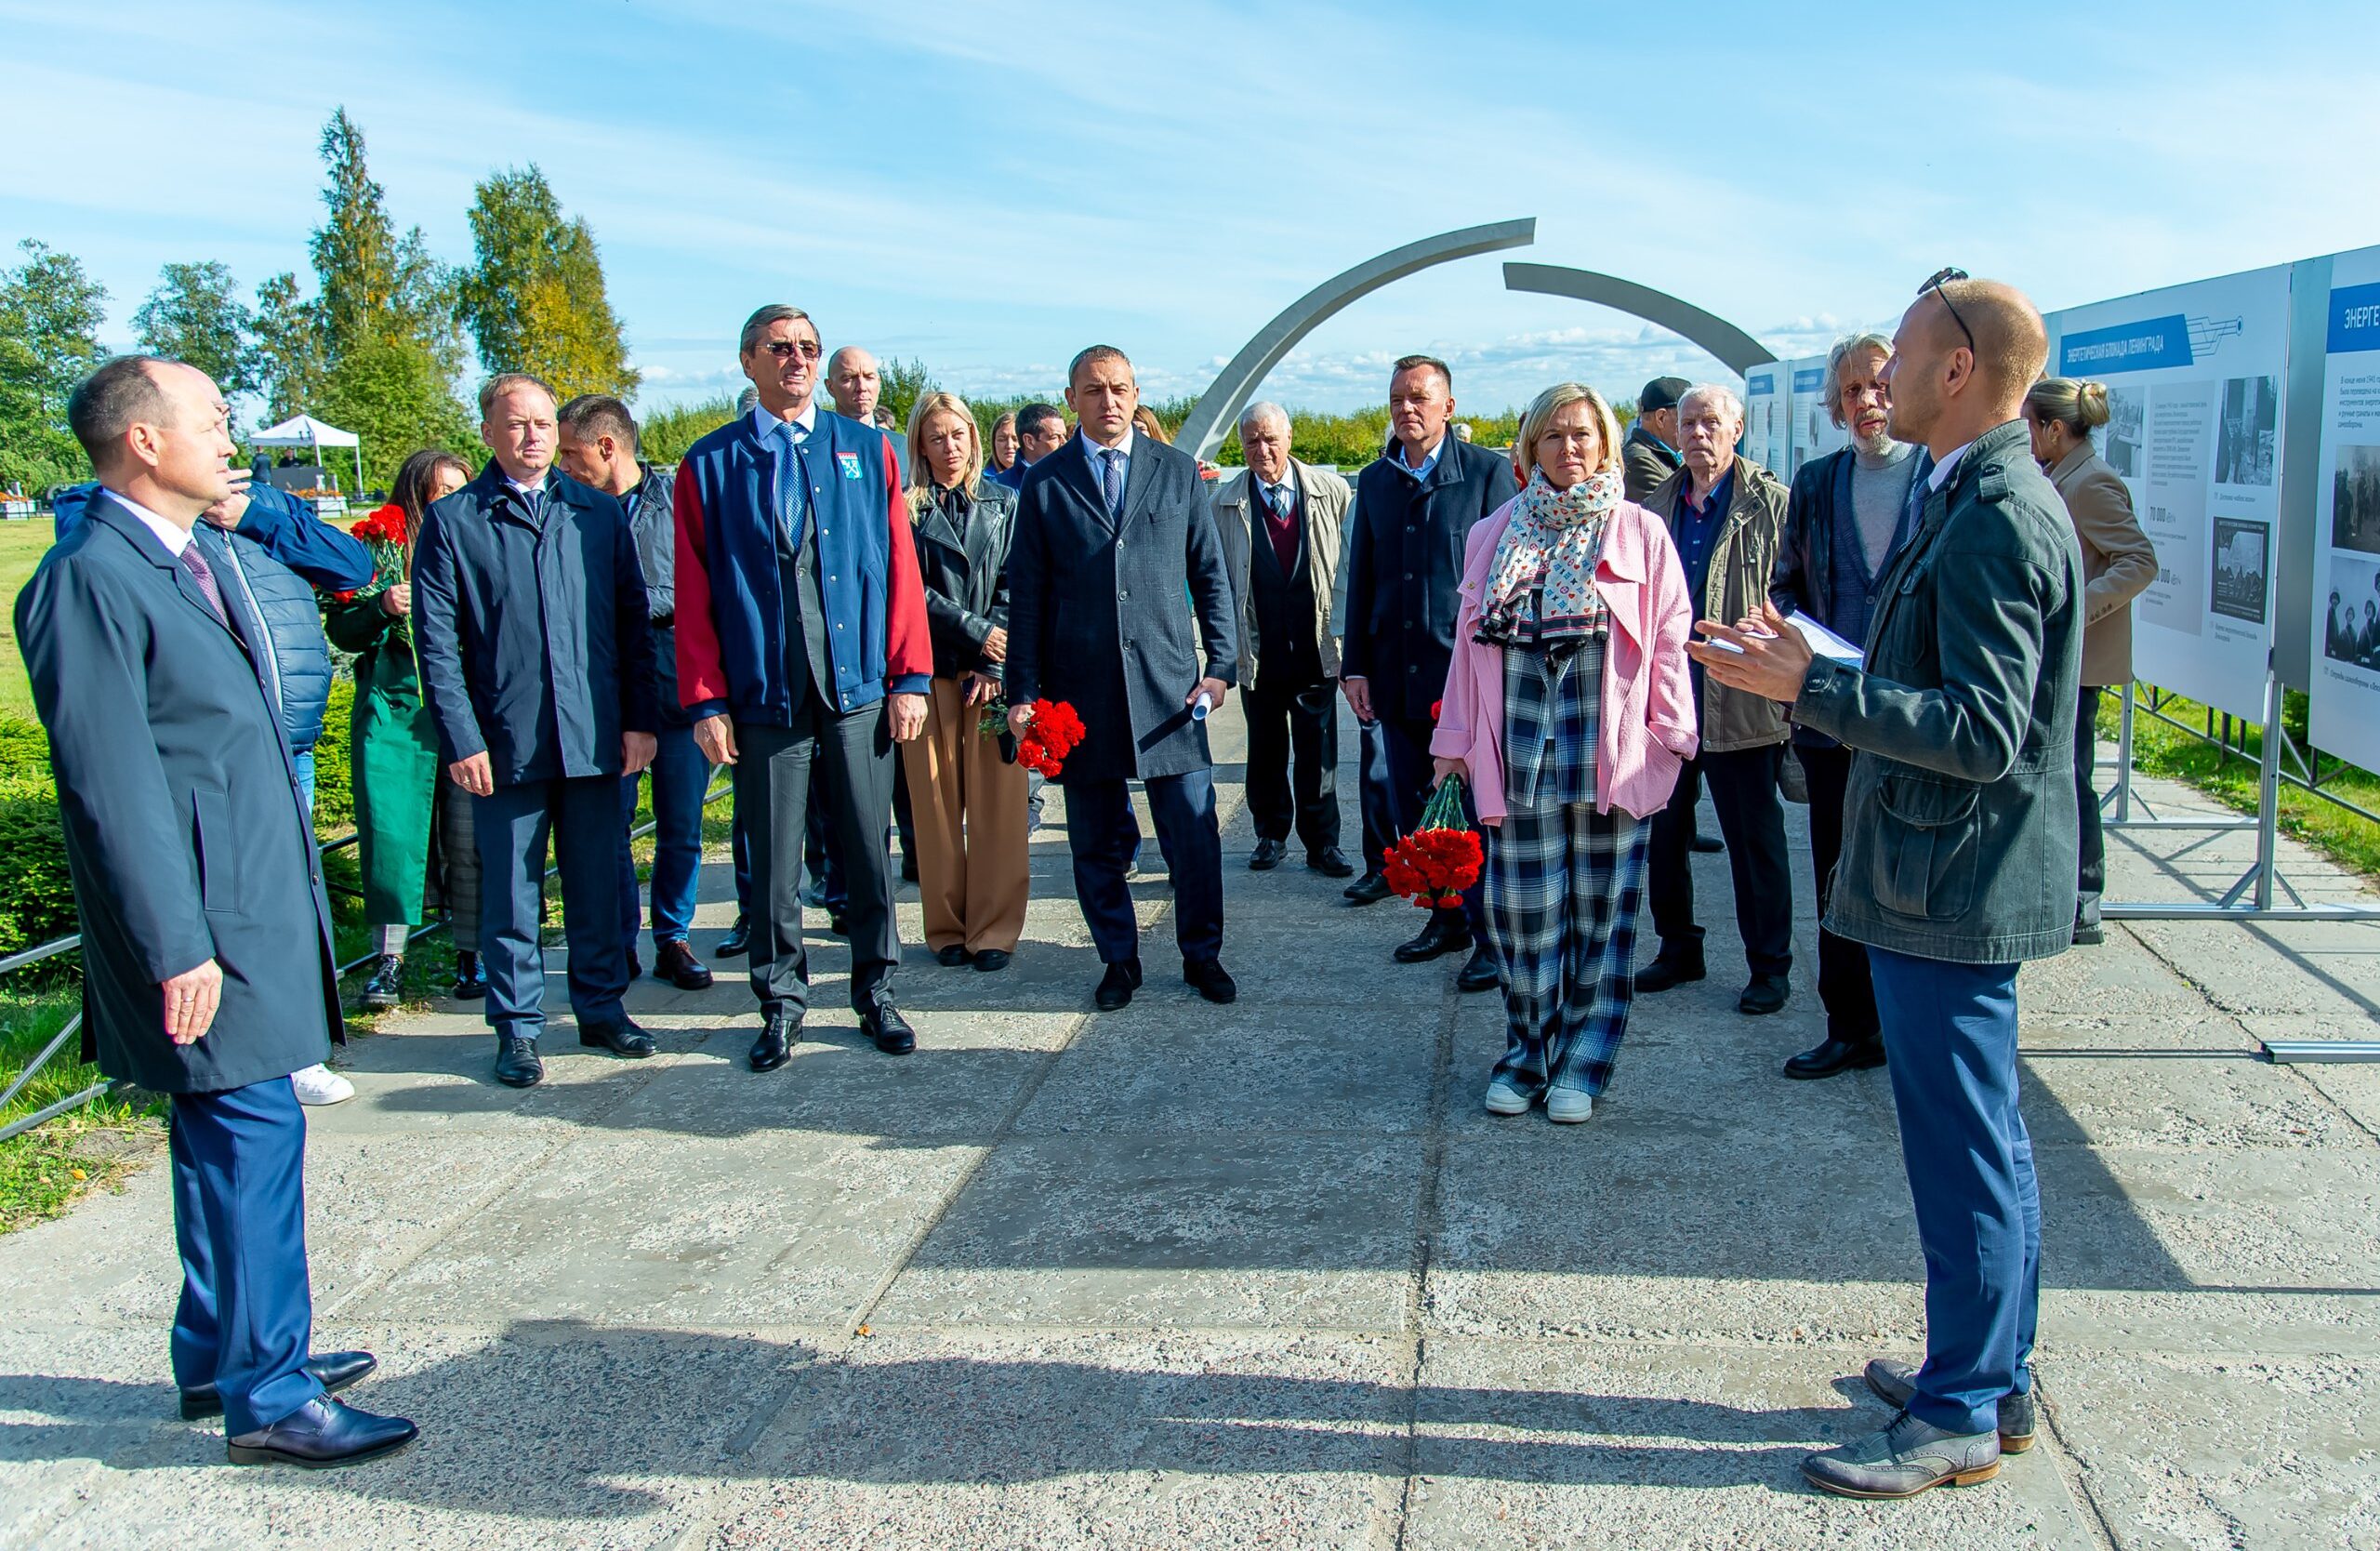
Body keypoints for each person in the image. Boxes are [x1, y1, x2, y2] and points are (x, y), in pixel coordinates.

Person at [1695, 272, 2076, 1500]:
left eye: (1904, 353)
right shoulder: (1967, 487)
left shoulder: (1999, 513)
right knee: (1987, 1144)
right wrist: (1813, 660)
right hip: (1945, 869)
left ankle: (1963, 1408)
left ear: (1958, 369)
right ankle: (1991, 1374)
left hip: (1952, 879)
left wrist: (1816, 688)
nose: (1882, 375)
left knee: (1965, 1151)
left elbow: (1983, 730)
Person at [21, 354, 416, 1466]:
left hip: (241, 892)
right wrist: (174, 942)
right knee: (251, 1132)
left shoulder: (174, 554)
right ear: (144, 440)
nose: (227, 434)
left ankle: (221, 1353)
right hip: (202, 917)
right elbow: (112, 782)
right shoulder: (90, 576)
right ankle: (273, 1392)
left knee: (221, 1134)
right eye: (209, 417)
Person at [51, 464, 374, 1107]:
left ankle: (295, 1043)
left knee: (287, 901)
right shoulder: (109, 524)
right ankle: (220, 1052)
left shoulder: (264, 505)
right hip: (211, 759)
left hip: (287, 744)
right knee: (221, 903)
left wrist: (256, 517)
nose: (224, 447)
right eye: (209, 428)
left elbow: (353, 567)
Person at [675, 304, 932, 1072]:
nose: (797, 360)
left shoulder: (865, 449)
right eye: (780, 348)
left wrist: (909, 676)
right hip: (764, 698)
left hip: (855, 688)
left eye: (809, 348)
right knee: (776, 865)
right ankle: (780, 1003)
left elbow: (899, 572)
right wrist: (706, 699)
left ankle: (876, 993)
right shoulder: (710, 463)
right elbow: (694, 590)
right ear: (748, 361)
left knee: (866, 850)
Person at [1433, 384, 1696, 1123]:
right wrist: (1452, 745)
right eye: (1553, 436)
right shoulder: (1493, 532)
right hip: (1517, 746)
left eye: (1582, 434)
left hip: (1610, 745)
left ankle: (1582, 1062)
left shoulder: (1640, 530)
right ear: (1530, 449)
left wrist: (1671, 736)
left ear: (1606, 444)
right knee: (1524, 915)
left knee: (1602, 915)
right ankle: (1526, 1056)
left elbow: (1671, 639)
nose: (1569, 448)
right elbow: (1464, 652)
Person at [414, 373, 660, 1090]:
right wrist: (461, 738)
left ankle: (601, 1008)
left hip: (592, 738)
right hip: (505, 744)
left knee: (595, 883)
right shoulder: (456, 522)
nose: (532, 437)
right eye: (516, 424)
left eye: (544, 424)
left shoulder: (596, 513)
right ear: (488, 432)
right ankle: (517, 1028)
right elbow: (438, 641)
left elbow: (632, 627)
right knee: (513, 895)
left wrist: (641, 722)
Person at [1005, 345, 1239, 1011]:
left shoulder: (1175, 472)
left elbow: (1210, 575)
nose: (1108, 401)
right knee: (1096, 841)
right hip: (1081, 695)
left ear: (1136, 393)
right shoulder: (1046, 482)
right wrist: (1023, 692)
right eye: (1093, 390)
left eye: (1119, 388)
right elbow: (1027, 597)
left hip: (1169, 690)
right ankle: (1118, 959)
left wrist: (1220, 667)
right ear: (1072, 396)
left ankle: (1202, 955)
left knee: (1192, 835)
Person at [1767, 333, 1922, 1077]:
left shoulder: (1936, 479)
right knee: (1835, 870)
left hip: (1914, 717)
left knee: (1911, 874)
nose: (1869, 401)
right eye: (1853, 390)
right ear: (1836, 405)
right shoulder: (1819, 482)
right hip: (1832, 713)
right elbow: (1785, 582)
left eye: (1881, 384)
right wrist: (1807, 645)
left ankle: (1911, 1028)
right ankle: (1849, 1023)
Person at [1340, 355, 1519, 988]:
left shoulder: (1489, 475)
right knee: (1419, 805)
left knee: (1478, 810)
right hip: (1396, 673)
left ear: (1448, 405)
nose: (1406, 410)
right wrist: (1355, 664)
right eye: (1396, 400)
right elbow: (1361, 579)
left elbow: (1512, 577)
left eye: (1419, 398)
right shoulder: (1376, 481)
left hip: (1466, 678)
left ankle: (1493, 936)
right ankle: (1446, 918)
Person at [1637, 385, 1796, 1015]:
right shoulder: (1654, 504)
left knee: (1754, 837)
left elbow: (1795, 591)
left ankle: (1770, 966)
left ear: (1737, 429)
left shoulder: (1772, 503)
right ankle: (1678, 949)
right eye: (1690, 421)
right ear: (1674, 431)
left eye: (1712, 421)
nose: (1699, 432)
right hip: (1671, 694)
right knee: (1664, 832)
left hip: (1743, 695)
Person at [555, 393, 718, 993]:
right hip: (604, 701)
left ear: (607, 447)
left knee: (681, 825)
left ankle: (672, 937)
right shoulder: (565, 509)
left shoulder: (679, 498)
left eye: (570, 452)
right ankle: (619, 940)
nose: (561, 464)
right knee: (610, 827)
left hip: (677, 693)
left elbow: (701, 584)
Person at [324, 450, 489, 1019]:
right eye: (437, 490)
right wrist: (380, 608)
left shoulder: (481, 538)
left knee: (470, 839)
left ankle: (474, 953)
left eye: (457, 488)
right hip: (397, 716)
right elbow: (342, 632)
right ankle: (388, 959)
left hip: (468, 711)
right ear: (414, 493)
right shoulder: (375, 547)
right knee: (392, 839)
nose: (447, 499)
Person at [2025, 376, 2155, 948]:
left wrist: (2080, 607)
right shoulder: (2061, 475)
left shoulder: (2092, 483)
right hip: (2056, 657)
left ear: (2055, 429)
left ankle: (2085, 896)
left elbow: (2139, 560)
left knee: (2073, 777)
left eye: (2030, 425)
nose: (2024, 436)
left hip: (2078, 661)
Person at [902, 391, 1030, 969]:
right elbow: (909, 592)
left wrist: (994, 658)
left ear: (973, 439)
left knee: (999, 805)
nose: (949, 447)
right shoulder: (903, 509)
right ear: (920, 446)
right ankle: (946, 927)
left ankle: (995, 930)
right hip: (931, 672)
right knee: (933, 806)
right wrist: (976, 632)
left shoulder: (1006, 504)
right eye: (936, 437)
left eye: (957, 435)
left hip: (992, 677)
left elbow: (1016, 582)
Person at [1210, 401, 1355, 876]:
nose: (1262, 449)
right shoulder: (1225, 503)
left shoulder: (1331, 491)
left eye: (1270, 438)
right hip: (1260, 651)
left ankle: (1323, 843)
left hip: (1316, 647)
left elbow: (1353, 563)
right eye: (1252, 440)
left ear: (1289, 438)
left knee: (1319, 751)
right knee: (1266, 750)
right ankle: (1270, 834)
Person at [1620, 376, 1691, 501]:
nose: (1696, 428)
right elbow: (1675, 513)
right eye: (1687, 420)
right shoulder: (1639, 461)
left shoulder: (1670, 455)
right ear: (1661, 418)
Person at [991, 402, 1069, 493]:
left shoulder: (1075, 478)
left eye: (1064, 436)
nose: (1064, 443)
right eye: (1055, 437)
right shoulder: (998, 487)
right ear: (1029, 441)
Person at [988, 410, 1019, 478]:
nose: (1009, 445)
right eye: (1002, 439)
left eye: (1015, 439)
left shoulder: (1040, 479)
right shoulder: (978, 483)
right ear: (994, 444)